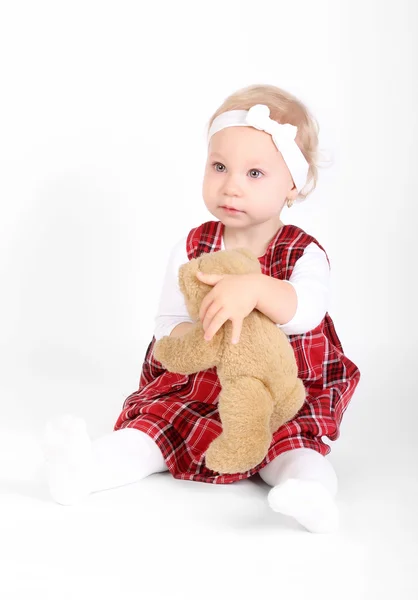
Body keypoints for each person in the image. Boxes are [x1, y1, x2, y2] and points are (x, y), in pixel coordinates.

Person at [43, 84, 360, 533]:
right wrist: (187, 345)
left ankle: (309, 492)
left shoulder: (302, 252)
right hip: (199, 384)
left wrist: (253, 288)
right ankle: (85, 469)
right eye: (219, 167)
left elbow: (306, 309)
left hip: (278, 390)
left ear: (293, 184)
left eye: (254, 173)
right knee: (151, 432)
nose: (230, 185)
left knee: (292, 448)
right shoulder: (193, 245)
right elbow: (168, 322)